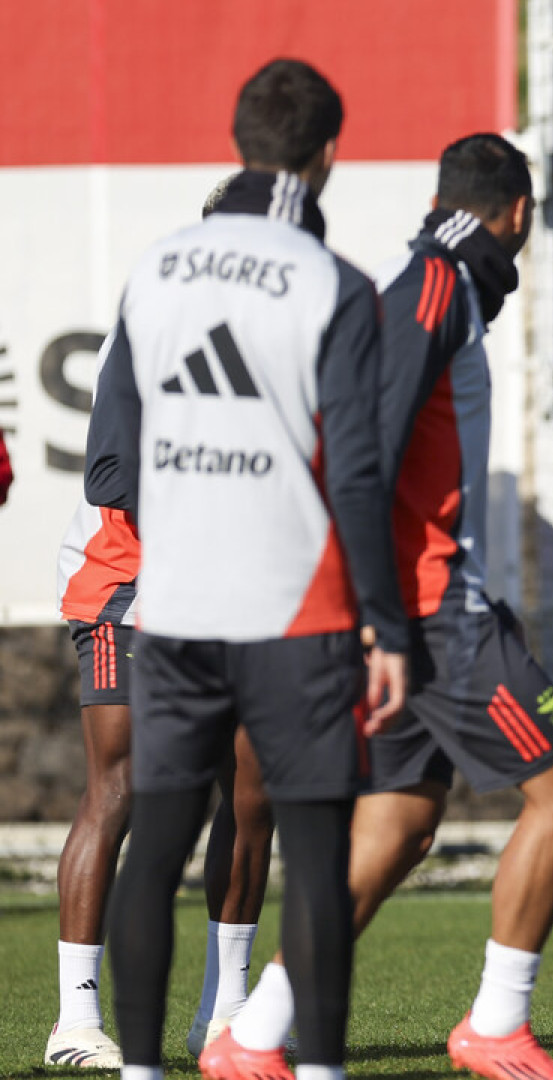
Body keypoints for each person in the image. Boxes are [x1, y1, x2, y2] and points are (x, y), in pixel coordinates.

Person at [220, 133, 553, 1080]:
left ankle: (254, 1036)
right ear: (517, 215)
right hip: (433, 618)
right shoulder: (435, 284)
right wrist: (377, 615)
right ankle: (495, 1023)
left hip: (418, 610)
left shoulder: (445, 283)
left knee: (398, 828)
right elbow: (368, 450)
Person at [85, 58, 408, 1080]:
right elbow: (358, 474)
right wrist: (387, 626)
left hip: (173, 612)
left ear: (238, 145)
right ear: (325, 157)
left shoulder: (156, 268)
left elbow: (113, 462)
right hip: (294, 614)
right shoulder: (337, 283)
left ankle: (140, 1070)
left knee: (158, 845)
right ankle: (315, 1070)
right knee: (313, 854)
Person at [44, 175, 283, 1072]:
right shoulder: (154, 317)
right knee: (125, 786)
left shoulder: (284, 338)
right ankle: (75, 1019)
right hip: (131, 584)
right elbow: (112, 474)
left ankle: (223, 1018)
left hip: (237, 592)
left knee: (254, 789)